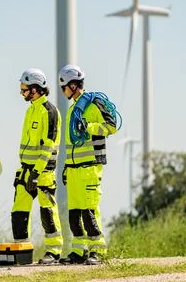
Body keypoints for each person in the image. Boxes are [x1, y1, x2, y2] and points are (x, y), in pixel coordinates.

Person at [58, 64, 117, 265]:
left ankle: (98, 252)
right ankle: (79, 251)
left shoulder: (95, 103)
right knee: (74, 213)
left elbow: (112, 126)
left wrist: (89, 127)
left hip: (90, 167)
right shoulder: (74, 109)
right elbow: (70, 145)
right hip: (74, 169)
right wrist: (66, 166)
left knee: (89, 211)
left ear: (73, 85)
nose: (62, 91)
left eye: (64, 86)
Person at [11, 68, 63, 264]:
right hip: (25, 170)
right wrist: (28, 171)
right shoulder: (31, 109)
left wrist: (36, 172)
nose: (21, 93)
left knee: (47, 212)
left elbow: (48, 146)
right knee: (19, 212)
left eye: (24, 89)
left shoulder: (49, 112)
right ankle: (22, 252)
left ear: (35, 89)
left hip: (42, 172)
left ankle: (54, 251)